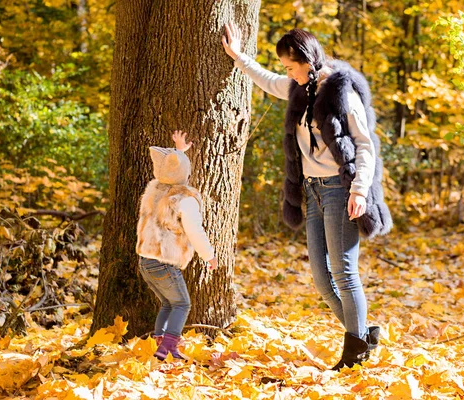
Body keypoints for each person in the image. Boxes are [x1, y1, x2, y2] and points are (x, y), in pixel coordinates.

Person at [222, 23, 392, 370]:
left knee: (344, 273)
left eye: (289, 66)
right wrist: (238, 56)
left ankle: (354, 356)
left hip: (340, 190)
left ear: (306, 60)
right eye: (284, 67)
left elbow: (364, 145)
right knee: (320, 278)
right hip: (311, 190)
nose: (286, 73)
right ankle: (362, 335)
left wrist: (359, 190)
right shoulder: (300, 88)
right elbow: (268, 80)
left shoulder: (340, 92)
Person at [136, 131, 218, 361]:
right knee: (182, 304)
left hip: (146, 261)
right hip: (164, 262)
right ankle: (167, 349)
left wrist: (177, 153)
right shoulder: (184, 199)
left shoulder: (154, 190)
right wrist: (209, 256)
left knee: (168, 303)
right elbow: (194, 230)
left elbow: (169, 172)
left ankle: (159, 342)